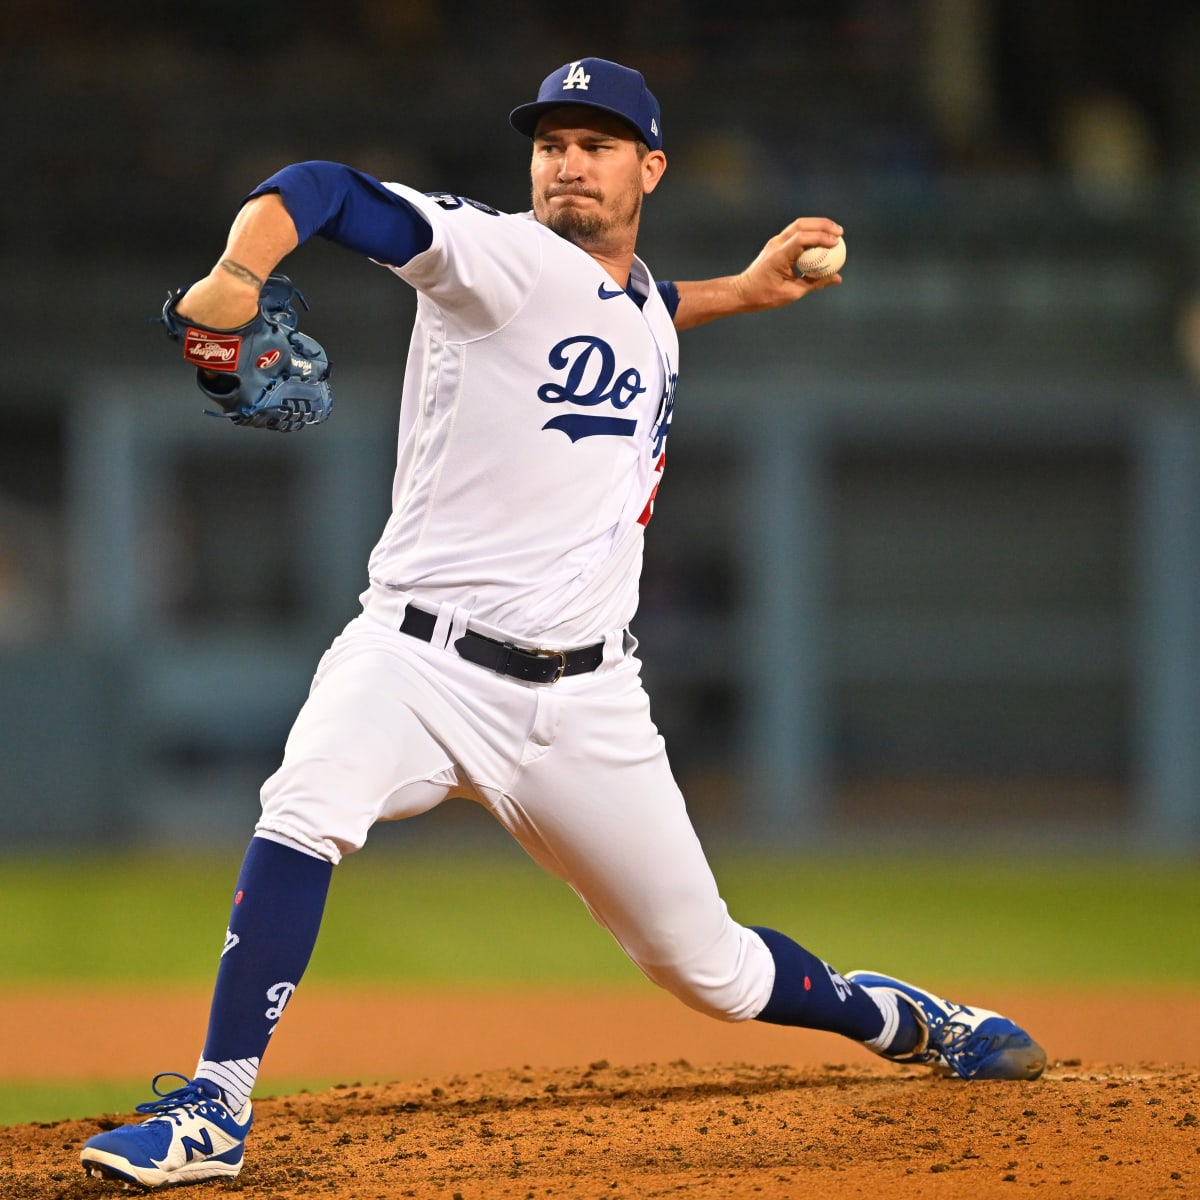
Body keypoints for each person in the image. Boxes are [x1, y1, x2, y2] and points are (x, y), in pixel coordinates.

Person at [81, 57, 1045, 1190]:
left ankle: (907, 1021)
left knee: (714, 971)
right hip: (416, 661)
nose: (568, 162)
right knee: (302, 808)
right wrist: (241, 268)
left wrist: (741, 289)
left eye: (596, 143)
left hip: (588, 699)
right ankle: (214, 1108)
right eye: (551, 144)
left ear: (651, 168)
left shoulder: (639, 304)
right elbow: (324, 185)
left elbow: (640, 303)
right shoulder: (496, 258)